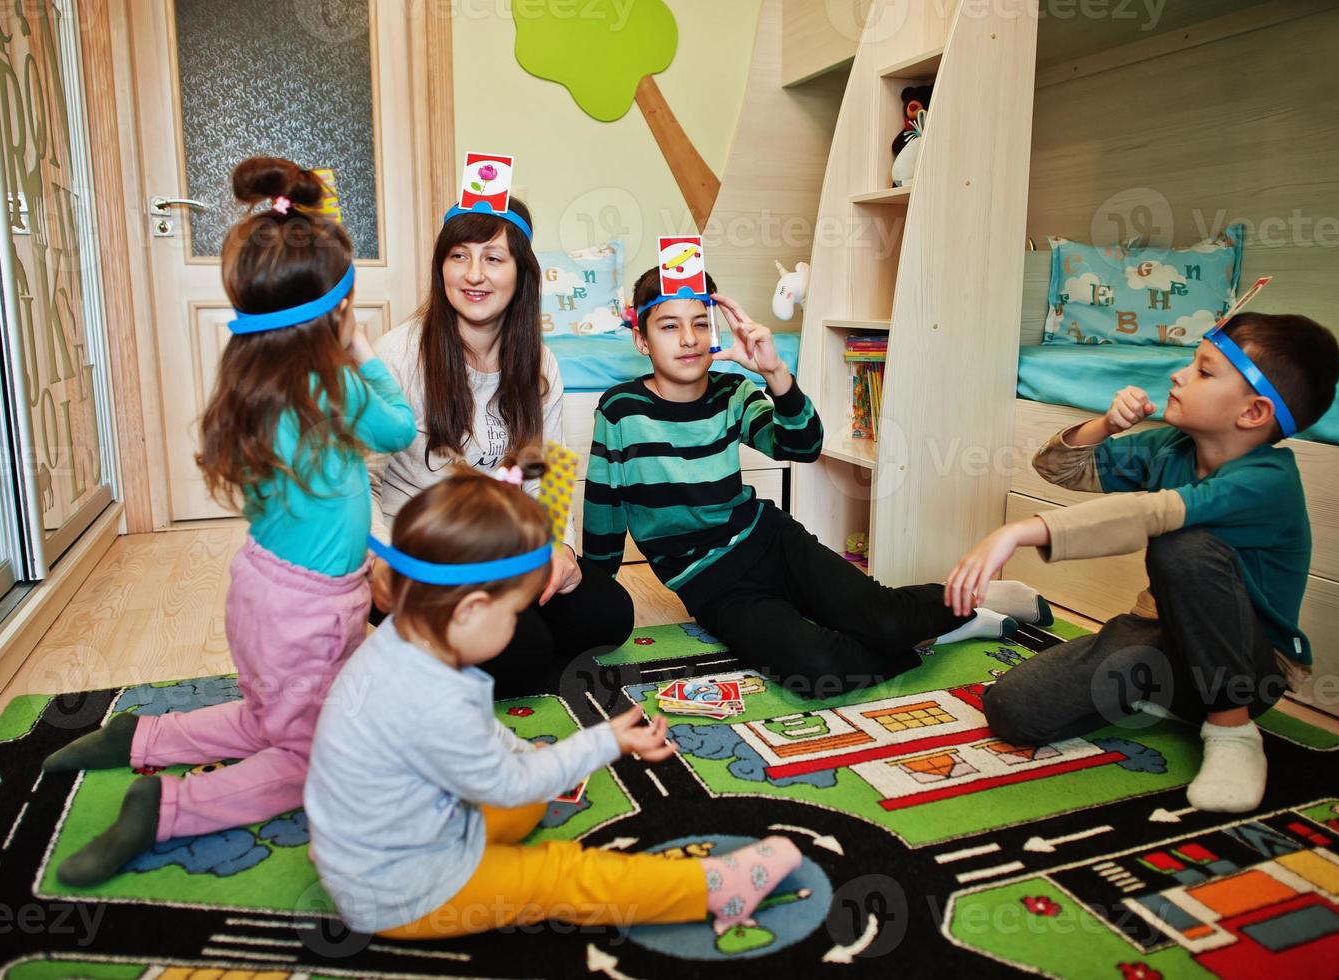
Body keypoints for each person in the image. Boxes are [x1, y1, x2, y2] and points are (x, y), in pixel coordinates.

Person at [43, 157, 417, 885]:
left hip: (260, 592)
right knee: (307, 750)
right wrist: (365, 353)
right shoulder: (335, 386)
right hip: (309, 611)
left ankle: (141, 735)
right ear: (337, 312)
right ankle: (170, 808)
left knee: (267, 713)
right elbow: (400, 429)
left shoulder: (251, 382)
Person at [306, 465, 804, 938]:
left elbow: (479, 736)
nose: (519, 622)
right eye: (515, 611)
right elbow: (508, 779)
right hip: (402, 892)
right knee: (561, 874)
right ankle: (716, 889)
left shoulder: (408, 636)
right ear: (472, 609)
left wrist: (527, 758)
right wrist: (603, 741)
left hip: (376, 842)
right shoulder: (433, 699)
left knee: (527, 795)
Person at [581, 268, 1050, 699]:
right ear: (642, 339)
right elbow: (605, 502)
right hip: (709, 584)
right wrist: (595, 591)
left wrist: (775, 375)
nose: (688, 339)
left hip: (771, 542)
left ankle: (971, 597)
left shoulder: (734, 392)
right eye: (669, 326)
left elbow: (802, 446)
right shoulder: (619, 409)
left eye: (701, 323)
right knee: (816, 669)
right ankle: (942, 629)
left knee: (883, 617)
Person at [945, 312, 1339, 812]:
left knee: (1182, 543)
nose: (1179, 374)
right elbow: (1059, 468)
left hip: (1250, 663)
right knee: (1011, 710)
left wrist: (1019, 531)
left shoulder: (1268, 481)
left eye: (1203, 370)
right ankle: (1163, 696)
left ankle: (1231, 730)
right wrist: (1106, 425)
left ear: (1253, 412)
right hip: (1155, 634)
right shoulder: (1171, 448)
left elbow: (1152, 513)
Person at [368, 196, 632, 696]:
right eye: (459, 256)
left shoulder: (539, 364)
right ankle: (450, 645)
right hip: (421, 554)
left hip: (501, 547)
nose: (474, 275)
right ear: (440, 266)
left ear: (521, 272)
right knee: (523, 650)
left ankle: (454, 655)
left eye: (493, 257)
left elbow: (547, 472)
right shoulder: (397, 357)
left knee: (610, 613)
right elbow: (358, 474)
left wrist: (561, 547)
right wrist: (382, 560)